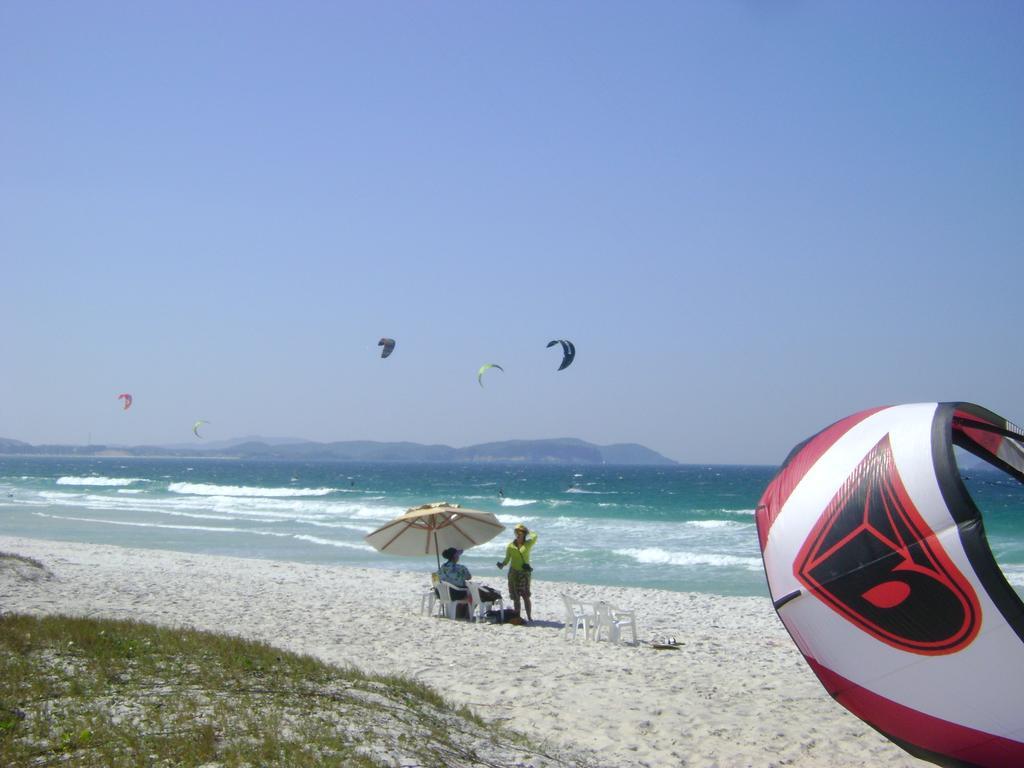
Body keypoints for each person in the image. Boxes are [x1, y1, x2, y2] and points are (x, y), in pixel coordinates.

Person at [497, 523, 538, 623]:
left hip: (524, 573)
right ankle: (518, 616)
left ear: (524, 534)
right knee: (516, 597)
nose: (518, 535)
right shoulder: (511, 546)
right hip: (513, 573)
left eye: (520, 533)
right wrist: (502, 564)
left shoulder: (528, 544)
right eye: (517, 533)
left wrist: (528, 530)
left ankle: (529, 617)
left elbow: (535, 536)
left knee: (525, 596)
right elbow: (507, 559)